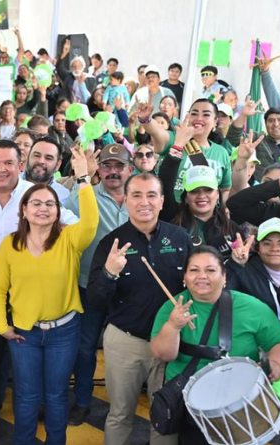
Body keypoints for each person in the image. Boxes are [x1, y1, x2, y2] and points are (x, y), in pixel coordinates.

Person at [0, 139, 79, 431]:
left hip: (26, 296)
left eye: (8, 163)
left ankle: (28, 425)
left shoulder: (35, 195)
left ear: (20, 166)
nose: (1, 169)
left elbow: (70, 223)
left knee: (24, 371)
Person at [0, 145, 97, 444]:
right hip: (25, 334)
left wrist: (84, 177)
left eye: (49, 204)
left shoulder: (69, 239)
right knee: (25, 397)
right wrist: (2, 326)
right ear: (23, 210)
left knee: (56, 396)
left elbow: (90, 222)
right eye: (35, 203)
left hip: (64, 332)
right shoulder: (10, 244)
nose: (43, 208)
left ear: (58, 210)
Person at [87, 173, 191, 445]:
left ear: (162, 200)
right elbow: (96, 301)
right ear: (126, 200)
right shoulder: (112, 243)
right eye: (136, 195)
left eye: (151, 195)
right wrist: (110, 273)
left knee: (166, 413)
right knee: (120, 414)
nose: (144, 202)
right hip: (125, 341)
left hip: (171, 342)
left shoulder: (180, 237)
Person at [151, 246, 280, 444]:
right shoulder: (172, 308)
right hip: (192, 406)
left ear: (224, 277)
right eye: (194, 270)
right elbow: (162, 354)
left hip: (245, 400)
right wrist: (172, 326)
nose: (202, 276)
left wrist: (275, 363)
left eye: (210, 270)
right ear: (185, 277)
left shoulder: (252, 307)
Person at [64, 144, 131, 425]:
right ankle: (82, 401)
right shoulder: (83, 196)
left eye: (119, 166)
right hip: (88, 285)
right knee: (85, 347)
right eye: (107, 166)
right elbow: (61, 225)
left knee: (127, 351)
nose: (113, 171)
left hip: (129, 289)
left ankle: (124, 407)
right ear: (98, 169)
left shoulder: (140, 197)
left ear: (130, 169)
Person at [139, 99, 232, 204]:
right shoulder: (175, 139)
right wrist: (146, 119)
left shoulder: (221, 152)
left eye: (206, 114)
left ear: (215, 121)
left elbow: (225, 189)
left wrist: (225, 211)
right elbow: (156, 131)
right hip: (175, 213)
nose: (199, 118)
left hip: (209, 215)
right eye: (194, 113)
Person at [158, 161, 244, 256]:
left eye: (208, 190)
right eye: (194, 191)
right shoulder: (173, 225)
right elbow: (165, 184)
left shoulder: (232, 229)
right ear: (186, 197)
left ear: (217, 194)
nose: (202, 195)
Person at [228, 218, 280, 333]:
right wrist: (234, 264)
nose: (275, 248)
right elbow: (220, 295)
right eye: (267, 243)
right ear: (258, 248)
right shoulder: (243, 271)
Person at [228, 99, 280, 181]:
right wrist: (243, 115)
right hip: (260, 189)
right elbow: (233, 137)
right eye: (271, 120)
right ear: (265, 124)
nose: (276, 124)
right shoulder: (257, 139)